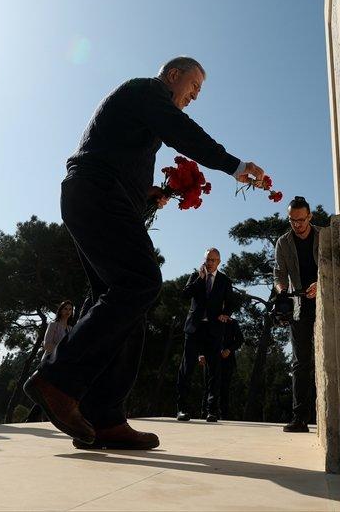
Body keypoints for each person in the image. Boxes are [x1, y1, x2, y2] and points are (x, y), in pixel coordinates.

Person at [24, 56, 269, 450]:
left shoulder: (142, 106)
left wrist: (148, 195)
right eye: (194, 86)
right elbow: (182, 132)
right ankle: (57, 380)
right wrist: (234, 165)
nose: (195, 96)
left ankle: (105, 419)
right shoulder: (147, 90)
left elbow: (124, 158)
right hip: (96, 190)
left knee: (123, 307)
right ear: (173, 75)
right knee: (141, 282)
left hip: (99, 194)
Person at [274, 195, 324, 433]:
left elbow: (334, 266)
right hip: (299, 305)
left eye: (301, 220)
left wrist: (320, 283)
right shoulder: (283, 242)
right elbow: (278, 274)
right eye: (292, 220)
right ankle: (300, 418)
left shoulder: (324, 236)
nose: (297, 225)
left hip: (325, 301)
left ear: (310, 216)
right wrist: (282, 291)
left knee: (328, 357)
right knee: (300, 362)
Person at [175, 248, 233, 423]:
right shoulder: (196, 276)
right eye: (208, 259)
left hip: (213, 330)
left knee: (214, 371)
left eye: (213, 260)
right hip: (194, 328)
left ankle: (211, 411)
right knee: (187, 368)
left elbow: (230, 302)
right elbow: (185, 294)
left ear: (219, 262)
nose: (210, 263)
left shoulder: (224, 280)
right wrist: (200, 279)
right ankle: (182, 409)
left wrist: (225, 314)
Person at [214, 315, 244, 421]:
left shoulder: (232, 322)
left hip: (227, 360)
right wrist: (202, 354)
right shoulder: (212, 320)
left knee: (225, 388)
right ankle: (207, 413)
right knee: (210, 386)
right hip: (212, 358)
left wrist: (229, 350)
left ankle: (223, 415)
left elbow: (240, 340)